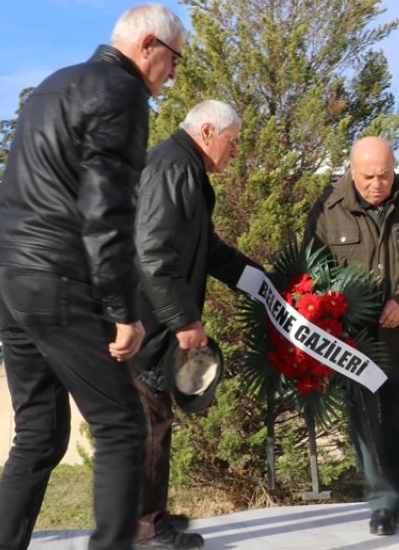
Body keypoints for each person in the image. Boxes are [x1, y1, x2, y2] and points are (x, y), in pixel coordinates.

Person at [0, 2, 185, 550]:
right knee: (122, 427)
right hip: (57, 279)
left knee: (39, 436)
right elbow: (106, 214)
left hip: (6, 276)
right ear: (147, 46)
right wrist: (123, 311)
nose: (172, 73)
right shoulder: (121, 94)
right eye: (173, 59)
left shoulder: (53, 85)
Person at [130, 100, 263, 550]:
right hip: (147, 324)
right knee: (151, 423)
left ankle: (149, 517)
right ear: (207, 131)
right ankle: (146, 529)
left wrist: (266, 284)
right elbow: (152, 255)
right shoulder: (174, 167)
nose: (235, 152)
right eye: (233, 142)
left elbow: (211, 252)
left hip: (152, 319)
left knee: (153, 419)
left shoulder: (183, 166)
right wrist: (183, 320)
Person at [304, 136, 399, 536]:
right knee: (366, 426)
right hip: (355, 344)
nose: (377, 184)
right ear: (352, 170)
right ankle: (382, 504)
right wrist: (340, 310)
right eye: (368, 176)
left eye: (385, 174)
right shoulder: (328, 209)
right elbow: (313, 270)